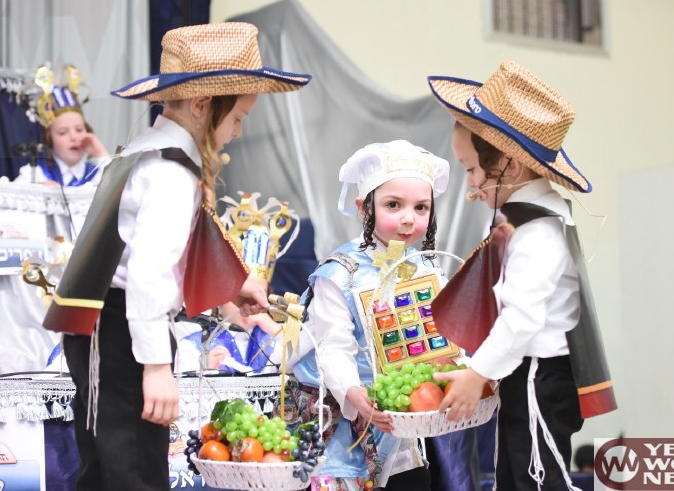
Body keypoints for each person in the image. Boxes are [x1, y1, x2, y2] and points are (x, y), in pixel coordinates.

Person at [46, 22, 311, 491]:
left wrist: (234, 284)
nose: (237, 132)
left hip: (103, 329)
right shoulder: (171, 173)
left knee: (106, 467)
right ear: (202, 105)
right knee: (135, 471)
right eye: (238, 118)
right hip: (125, 335)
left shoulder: (142, 151)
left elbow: (150, 244)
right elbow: (148, 272)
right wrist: (155, 367)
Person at [427, 61, 591, 490]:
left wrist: (477, 373)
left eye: (471, 170)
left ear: (509, 165)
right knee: (515, 474)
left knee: (535, 476)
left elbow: (522, 318)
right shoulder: (531, 218)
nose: (470, 184)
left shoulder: (536, 232)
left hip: (539, 375)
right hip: (529, 372)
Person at [291, 139, 450, 491]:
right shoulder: (340, 273)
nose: (408, 218)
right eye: (393, 204)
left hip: (400, 423)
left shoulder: (426, 269)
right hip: (340, 423)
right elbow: (333, 346)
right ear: (364, 209)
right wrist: (353, 393)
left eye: (421, 207)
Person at [14, 64, 108, 186]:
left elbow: (120, 186)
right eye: (63, 132)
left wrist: (101, 153)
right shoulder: (34, 173)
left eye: (79, 130)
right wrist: (37, 191)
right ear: (49, 139)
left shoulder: (99, 174)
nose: (73, 137)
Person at [177, 304, 284, 375]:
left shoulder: (273, 341)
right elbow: (183, 397)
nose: (249, 307)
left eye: (257, 300)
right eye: (241, 298)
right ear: (221, 300)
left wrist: (275, 329)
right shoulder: (191, 345)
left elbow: (293, 361)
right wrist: (207, 371)